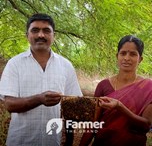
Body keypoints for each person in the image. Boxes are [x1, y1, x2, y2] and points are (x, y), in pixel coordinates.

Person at [0, 13, 82, 146]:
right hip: (20, 141)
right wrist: (39, 99)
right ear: (27, 35)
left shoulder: (66, 65)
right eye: (35, 30)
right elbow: (10, 104)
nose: (41, 35)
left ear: (53, 36)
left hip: (52, 141)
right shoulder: (14, 64)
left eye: (46, 31)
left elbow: (73, 107)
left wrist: (69, 140)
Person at [80, 35, 152, 146]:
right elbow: (93, 123)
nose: (127, 58)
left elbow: (146, 125)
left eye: (133, 54)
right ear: (117, 56)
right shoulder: (103, 85)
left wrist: (120, 107)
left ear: (140, 59)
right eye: (123, 53)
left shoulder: (148, 87)